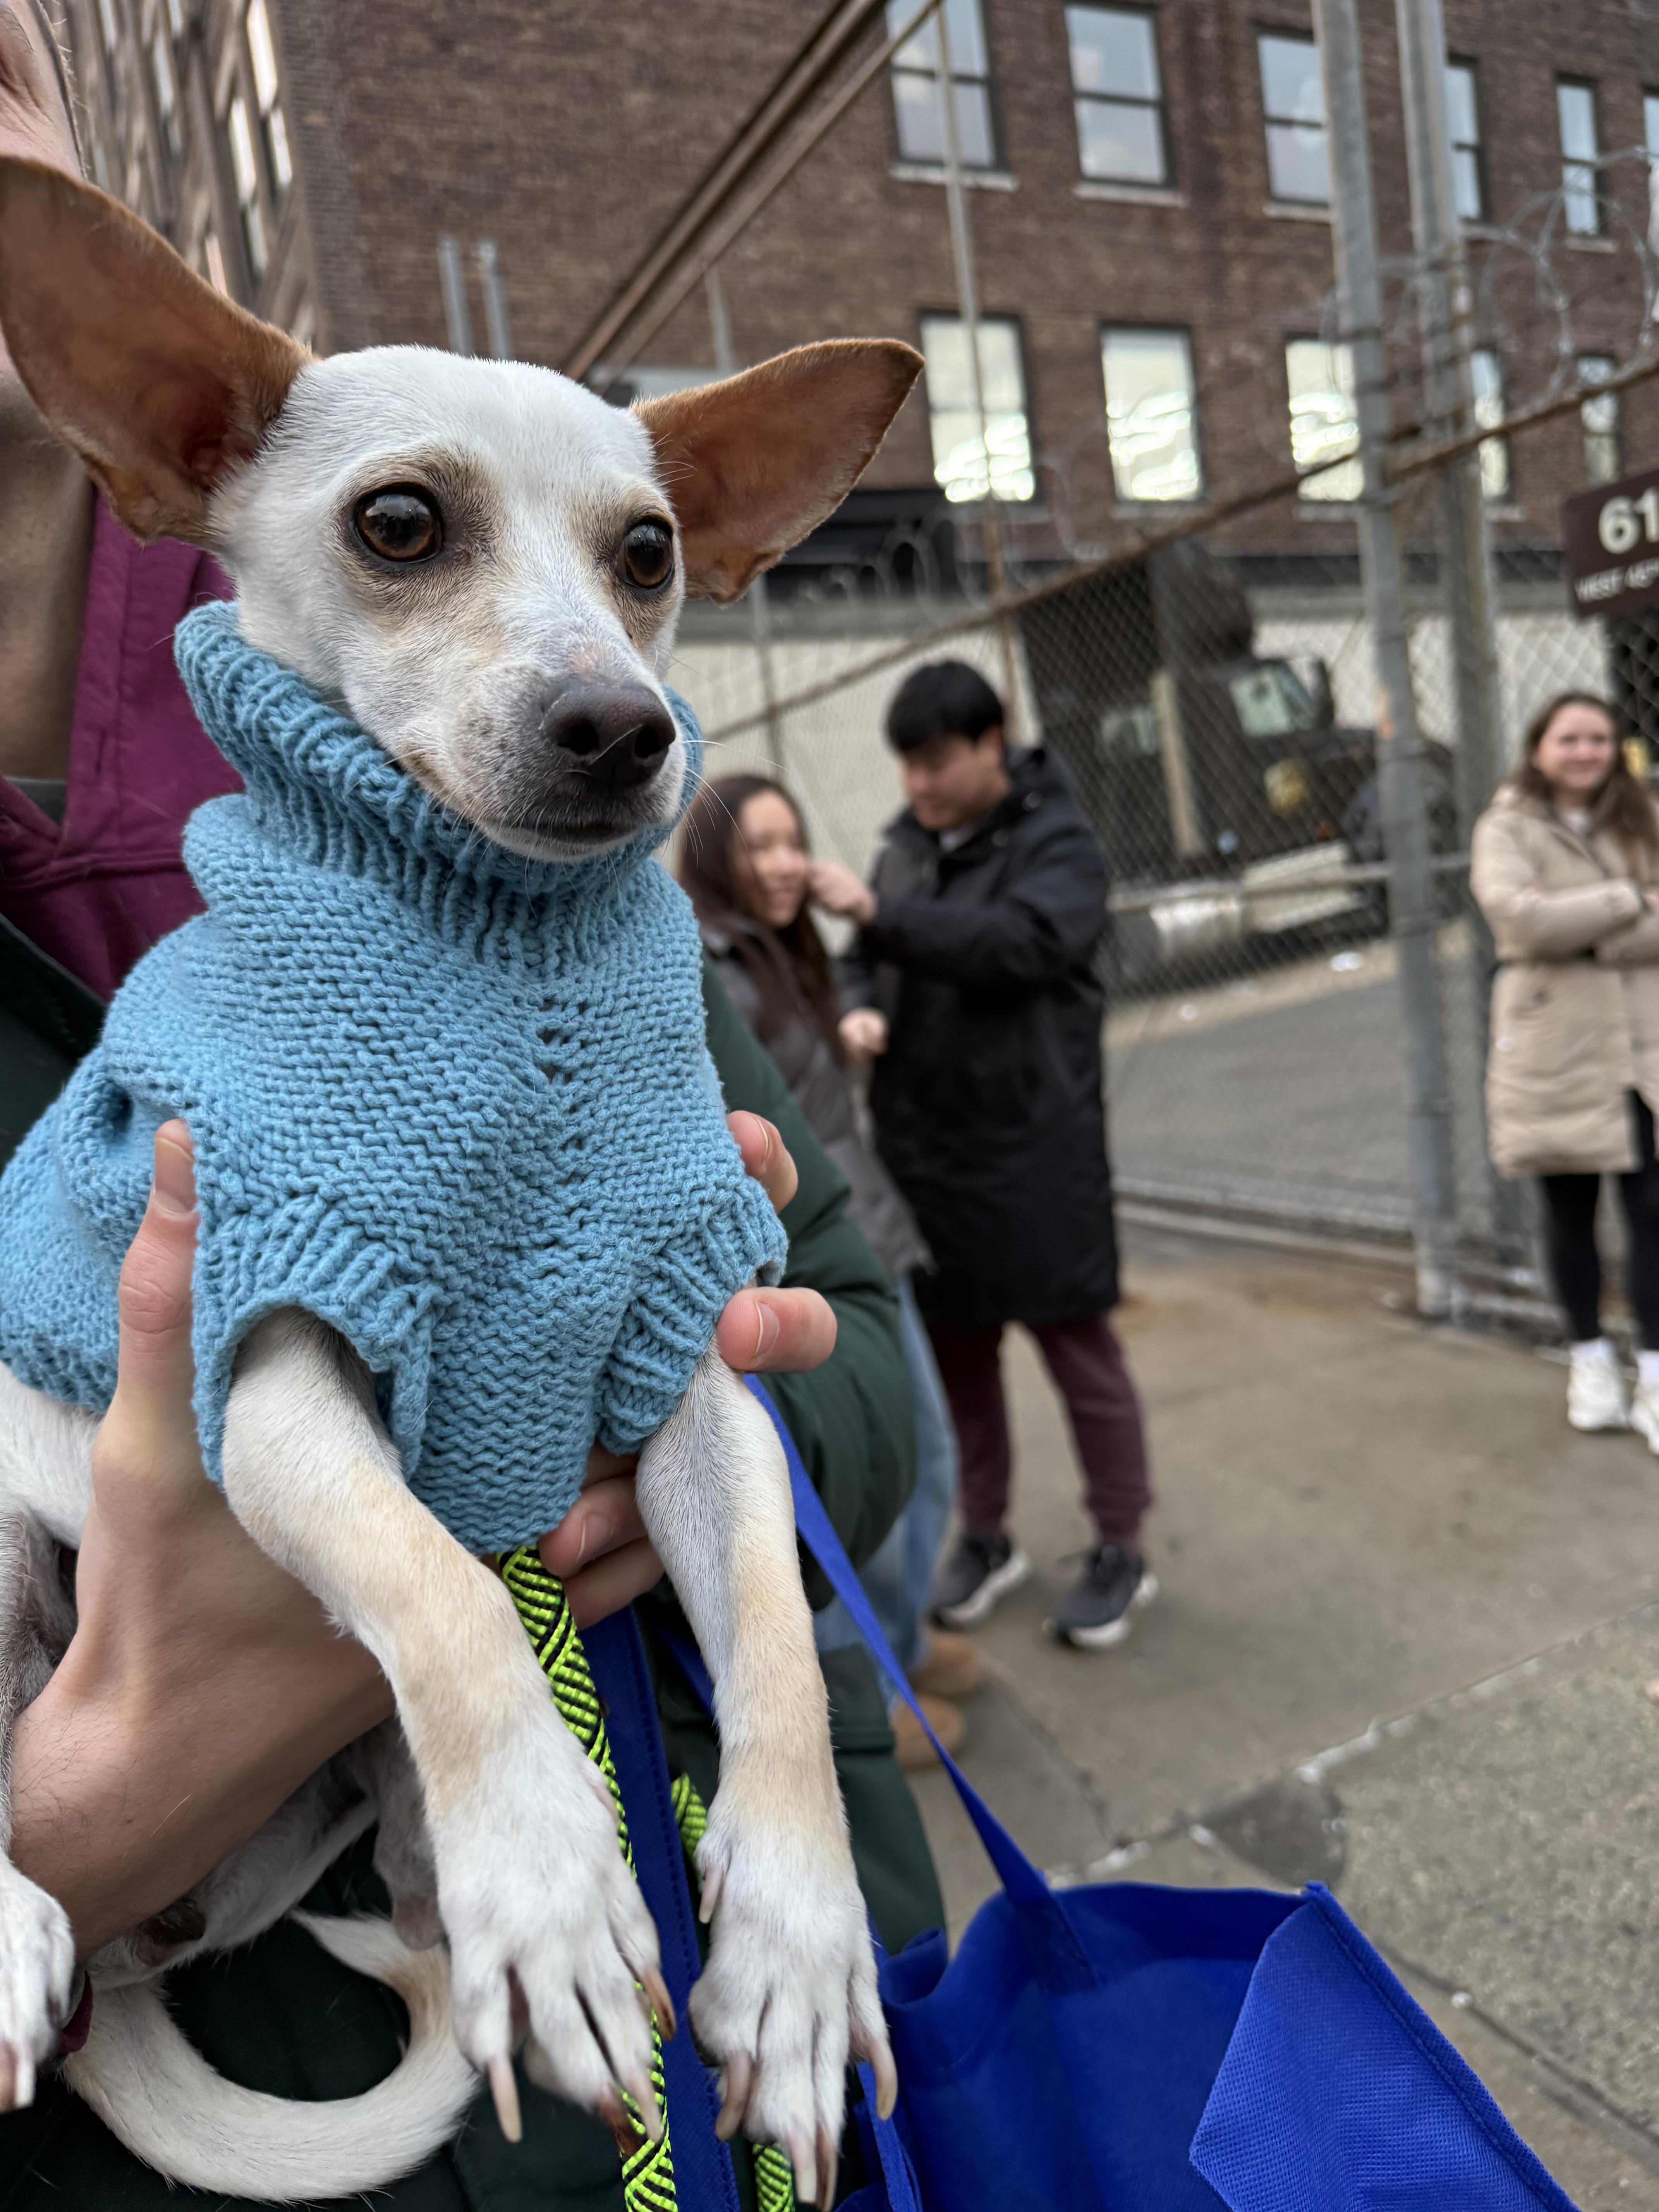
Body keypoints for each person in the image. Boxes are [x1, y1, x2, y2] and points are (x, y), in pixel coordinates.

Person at [0, 9, 940, 2198]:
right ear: (172, 422)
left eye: (640, 558)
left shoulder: (572, 909)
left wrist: (764, 1749)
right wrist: (124, 1790)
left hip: (671, 2043)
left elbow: (820, 1360)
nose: (601, 679)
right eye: (411, 533)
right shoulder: (283, 950)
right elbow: (275, 1394)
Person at [813, 659, 1156, 1651]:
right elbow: (860, 961)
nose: (917, 784)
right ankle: (989, 1532)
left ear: (990, 742)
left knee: (1079, 1351)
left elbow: (1020, 943)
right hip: (927, 1150)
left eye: (935, 762)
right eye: (906, 765)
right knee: (962, 1360)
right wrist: (859, 1005)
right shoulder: (905, 849)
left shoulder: (1058, 843)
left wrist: (881, 920)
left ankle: (1121, 1544)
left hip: (1033, 1147)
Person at [680, 772, 978, 1768]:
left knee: (917, 1458)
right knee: (864, 1482)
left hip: (865, 1232)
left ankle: (899, 1648)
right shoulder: (710, 965)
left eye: (791, 842)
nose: (783, 865)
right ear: (716, 859)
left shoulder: (783, 945)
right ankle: (871, 1694)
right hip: (810, 1256)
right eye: (758, 846)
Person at [1471, 689, 1659, 1447]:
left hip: (1643, 1042)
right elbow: (1519, 922)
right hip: (1556, 1046)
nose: (1586, 753)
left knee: (1653, 1211)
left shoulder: (1642, 816)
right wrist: (1631, 899)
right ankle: (1590, 1361)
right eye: (1570, 739)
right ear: (1539, 748)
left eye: (1599, 740)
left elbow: (1551, 925)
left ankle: (1654, 1374)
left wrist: (1577, 923)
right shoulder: (1506, 826)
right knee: (1569, 1211)